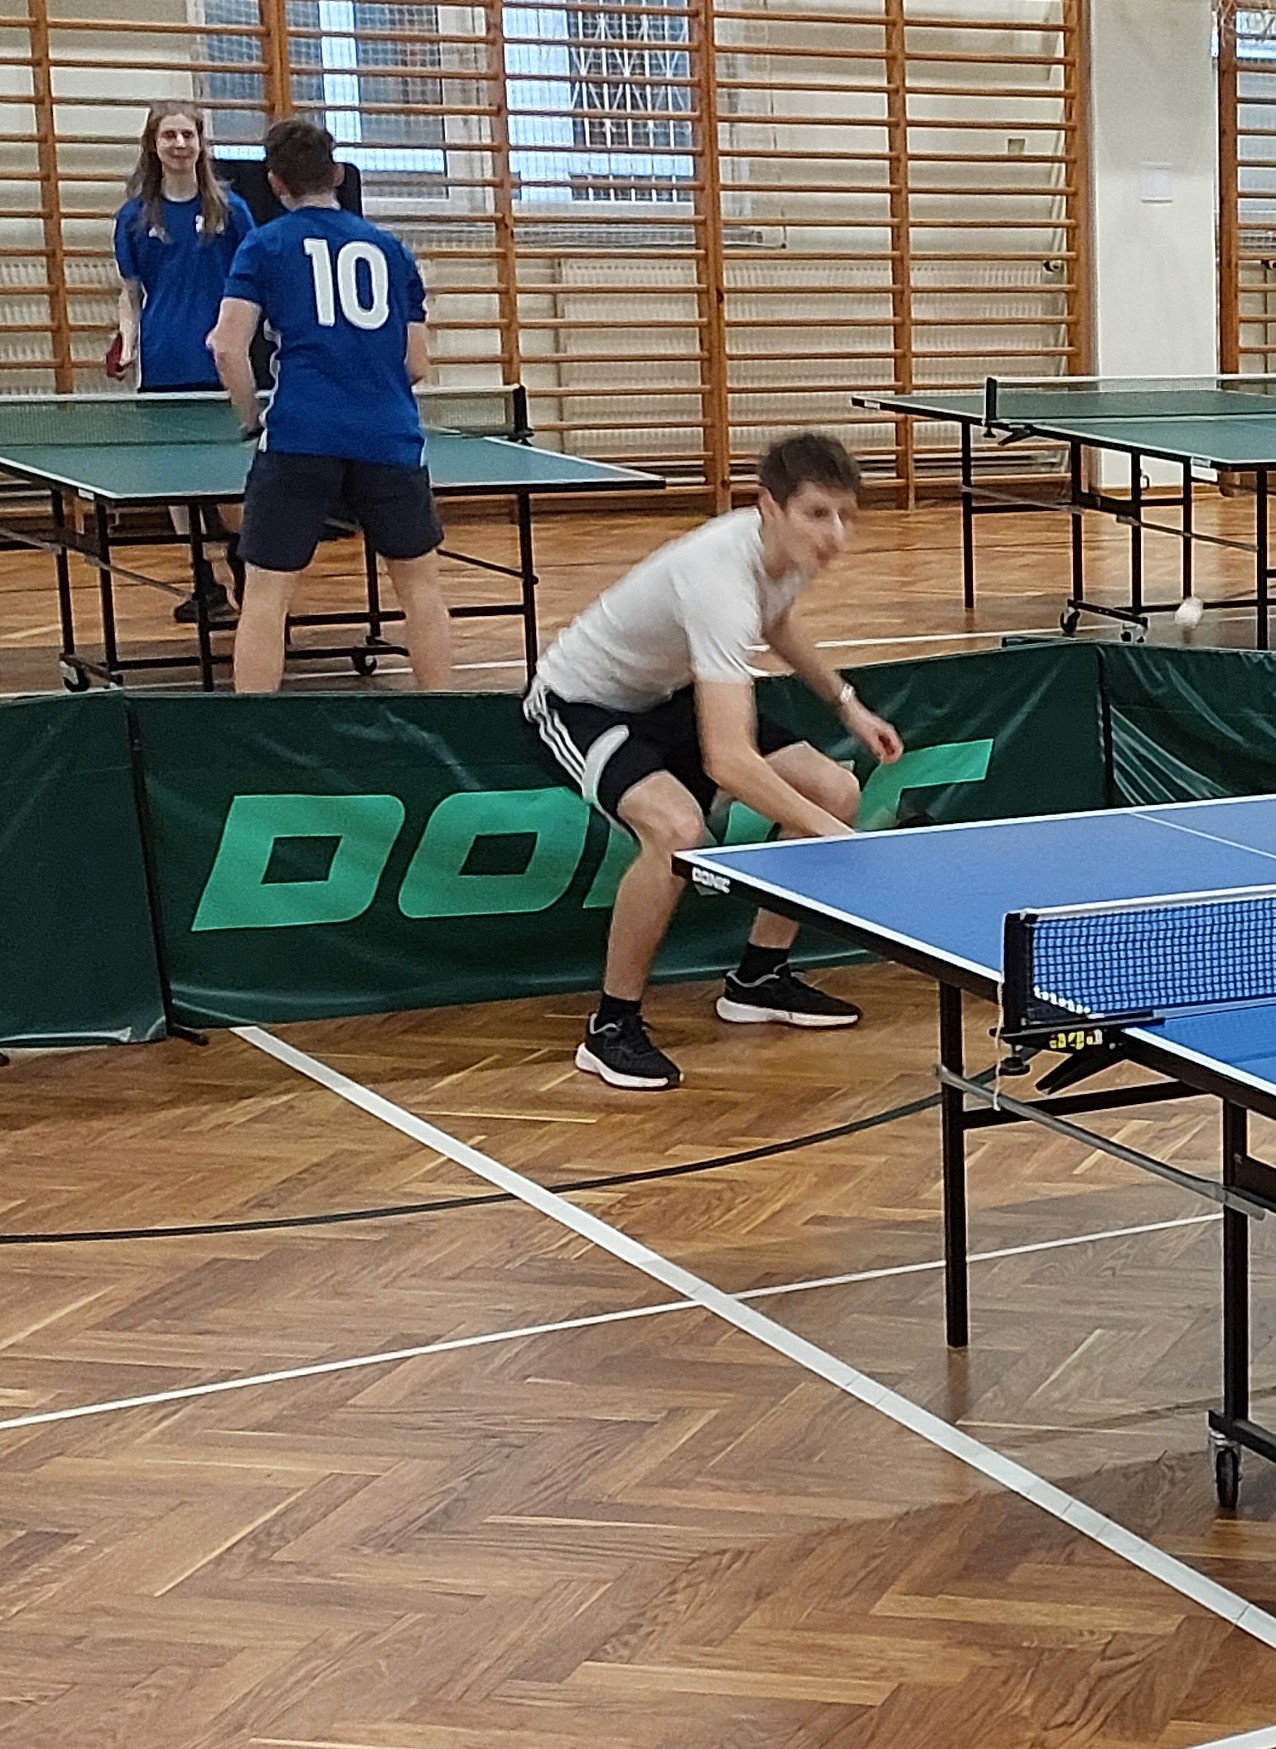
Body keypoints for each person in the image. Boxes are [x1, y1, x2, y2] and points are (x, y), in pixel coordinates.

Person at [522, 430, 900, 1092]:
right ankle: (611, 1027)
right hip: (582, 701)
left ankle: (758, 978)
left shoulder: (790, 554)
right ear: (769, 506)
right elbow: (729, 760)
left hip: (666, 692)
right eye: (818, 514)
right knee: (676, 831)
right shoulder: (717, 577)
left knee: (836, 790)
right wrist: (833, 838)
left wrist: (847, 705)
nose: (835, 535)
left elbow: (776, 621)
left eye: (846, 516)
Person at [205, 116, 448, 698]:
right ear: (337, 174)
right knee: (420, 589)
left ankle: (254, 729)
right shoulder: (391, 250)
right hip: (388, 437)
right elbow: (416, 363)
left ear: (275, 183)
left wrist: (250, 418)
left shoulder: (264, 245)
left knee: (266, 595)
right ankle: (447, 718)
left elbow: (227, 346)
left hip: (299, 435)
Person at [111, 101, 247, 623]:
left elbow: (255, 285)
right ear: (154, 144)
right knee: (177, 485)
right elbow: (130, 293)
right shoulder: (134, 217)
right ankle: (203, 583)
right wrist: (128, 342)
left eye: (187, 135)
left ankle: (245, 573)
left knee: (230, 482)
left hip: (221, 365)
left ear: (200, 143)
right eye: (169, 135)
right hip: (163, 363)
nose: (179, 144)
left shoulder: (230, 211)